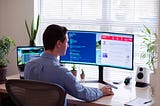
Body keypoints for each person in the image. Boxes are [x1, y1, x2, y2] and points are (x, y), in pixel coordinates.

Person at [24, 24, 114, 103]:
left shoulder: (29, 65)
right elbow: (84, 93)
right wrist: (101, 91)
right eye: (66, 42)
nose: (68, 45)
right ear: (59, 44)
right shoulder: (61, 72)